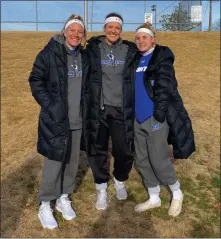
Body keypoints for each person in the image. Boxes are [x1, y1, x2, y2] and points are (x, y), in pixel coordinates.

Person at [29, 14, 90, 229]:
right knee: (54, 164)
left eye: (79, 32)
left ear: (83, 36)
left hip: (77, 121)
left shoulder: (84, 56)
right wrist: (51, 106)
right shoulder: (49, 53)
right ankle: (45, 203)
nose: (75, 35)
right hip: (56, 121)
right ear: (64, 32)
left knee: (72, 164)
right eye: (72, 30)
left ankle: (64, 197)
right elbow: (35, 80)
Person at [133, 22, 195, 217]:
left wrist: (158, 116)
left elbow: (165, 87)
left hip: (155, 118)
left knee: (159, 159)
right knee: (142, 159)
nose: (141, 40)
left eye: (145, 37)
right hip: (137, 118)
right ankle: (154, 197)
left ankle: (177, 193)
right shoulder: (135, 60)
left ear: (153, 39)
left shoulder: (161, 58)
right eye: (138, 37)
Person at [85, 12, 137, 210]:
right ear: (104, 28)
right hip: (100, 108)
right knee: (97, 149)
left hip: (122, 109)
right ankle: (101, 187)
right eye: (110, 27)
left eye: (117, 27)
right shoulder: (92, 49)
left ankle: (120, 180)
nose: (113, 30)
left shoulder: (130, 50)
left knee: (123, 150)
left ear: (121, 30)